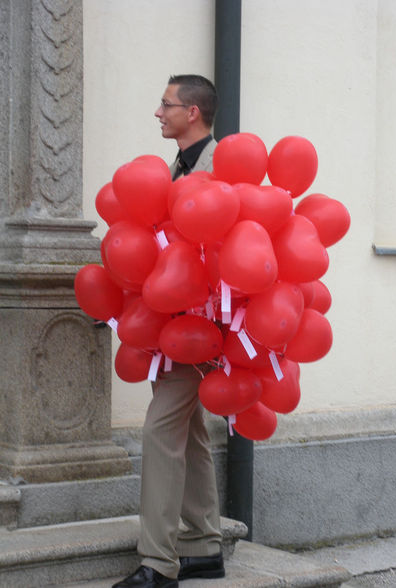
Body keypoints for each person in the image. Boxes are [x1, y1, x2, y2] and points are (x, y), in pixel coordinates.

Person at [113, 75, 224, 588]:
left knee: (160, 431)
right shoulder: (172, 169)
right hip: (170, 326)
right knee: (191, 433)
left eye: (167, 104)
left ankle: (158, 563)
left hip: (204, 329)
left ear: (193, 112)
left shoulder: (221, 168)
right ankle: (204, 544)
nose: (159, 112)